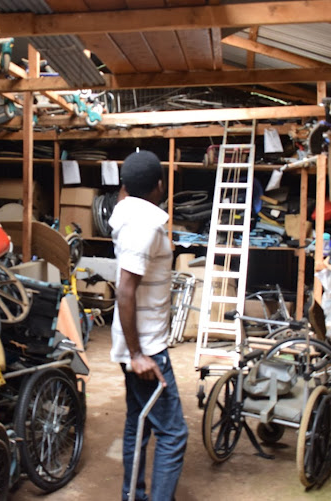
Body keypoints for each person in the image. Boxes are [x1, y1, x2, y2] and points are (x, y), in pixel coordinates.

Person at [109, 150, 188, 501]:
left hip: (138, 342)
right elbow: (125, 292)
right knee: (173, 434)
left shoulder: (127, 211)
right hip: (147, 348)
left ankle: (133, 495)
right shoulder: (144, 224)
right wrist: (138, 354)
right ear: (159, 185)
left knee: (138, 424)